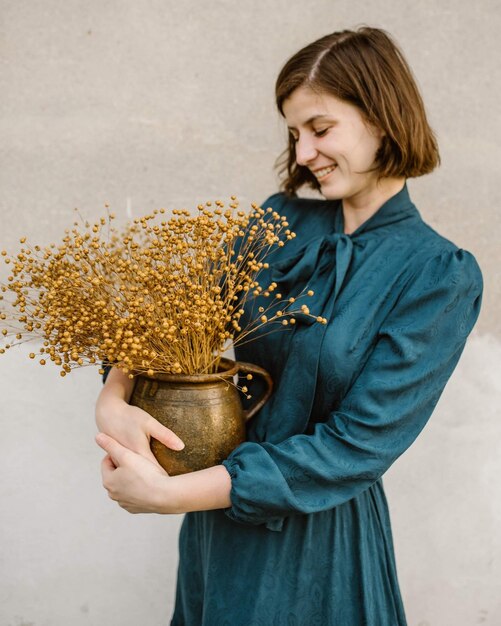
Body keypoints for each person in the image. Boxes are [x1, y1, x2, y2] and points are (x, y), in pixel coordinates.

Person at [95, 27, 483, 625]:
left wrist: (173, 494)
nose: (303, 154)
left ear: (383, 118)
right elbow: (173, 327)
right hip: (212, 534)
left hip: (319, 546)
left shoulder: (439, 274)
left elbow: (356, 446)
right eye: (295, 134)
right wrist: (113, 400)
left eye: (321, 129)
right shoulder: (279, 220)